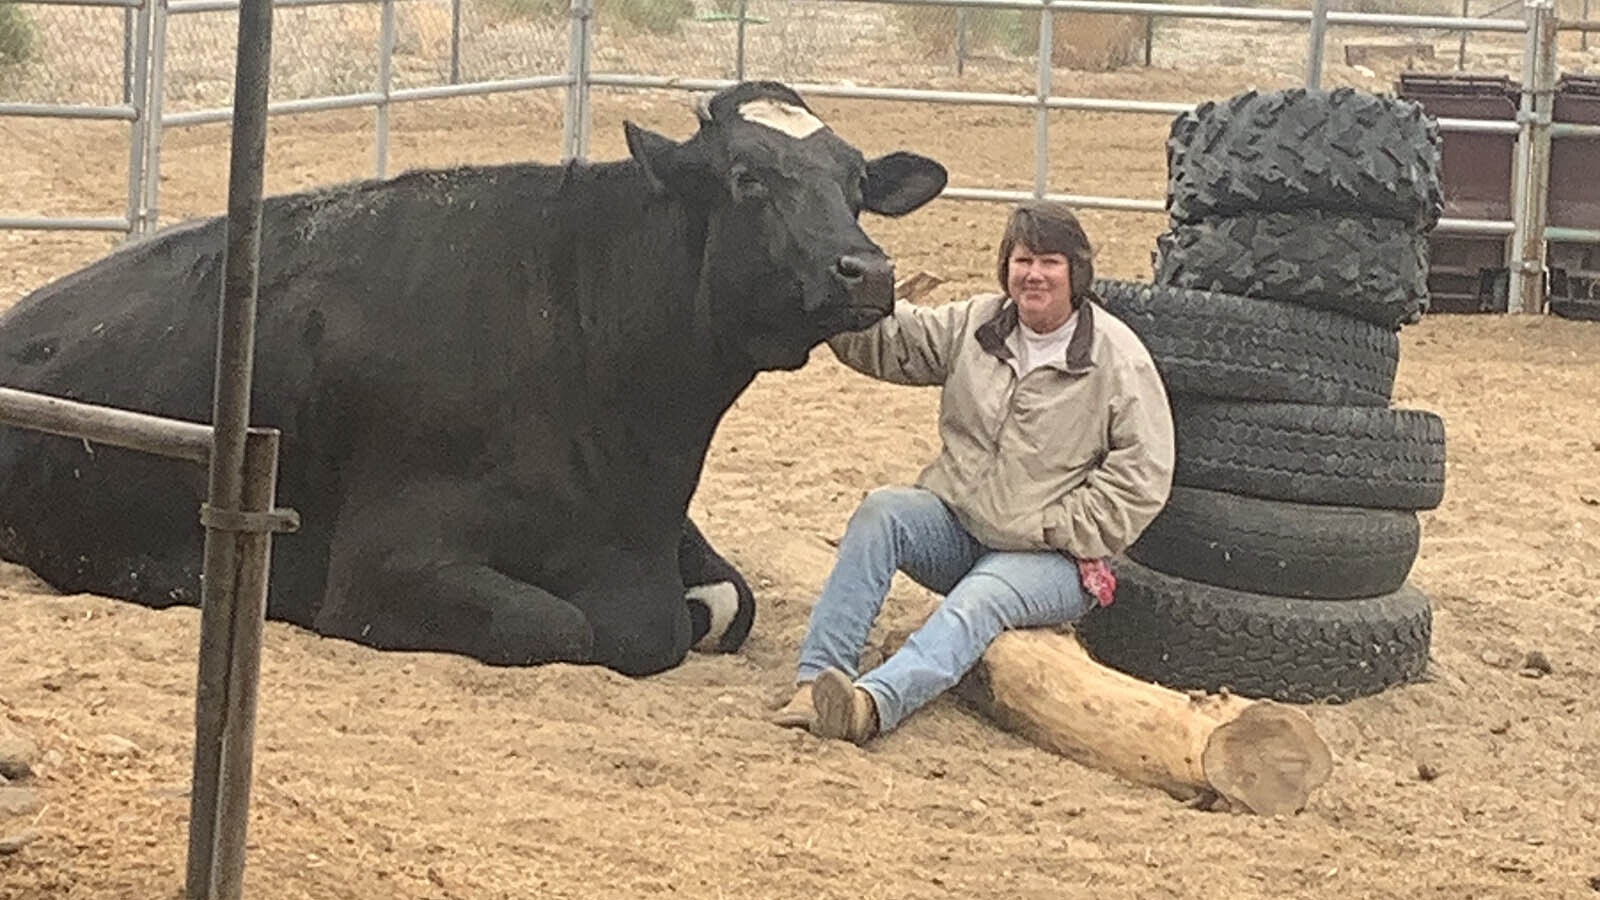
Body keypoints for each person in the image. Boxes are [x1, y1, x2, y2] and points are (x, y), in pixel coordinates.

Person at [771, 200, 1175, 744]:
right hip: (961, 530)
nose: (1034, 274)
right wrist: (831, 306)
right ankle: (817, 678)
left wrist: (1056, 527)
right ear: (1005, 267)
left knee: (982, 598)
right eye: (1022, 259)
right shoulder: (977, 324)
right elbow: (894, 344)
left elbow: (1141, 475)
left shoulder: (1119, 359)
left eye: (1050, 262)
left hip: (1051, 560)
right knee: (883, 512)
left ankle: (872, 705)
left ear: (1076, 271)